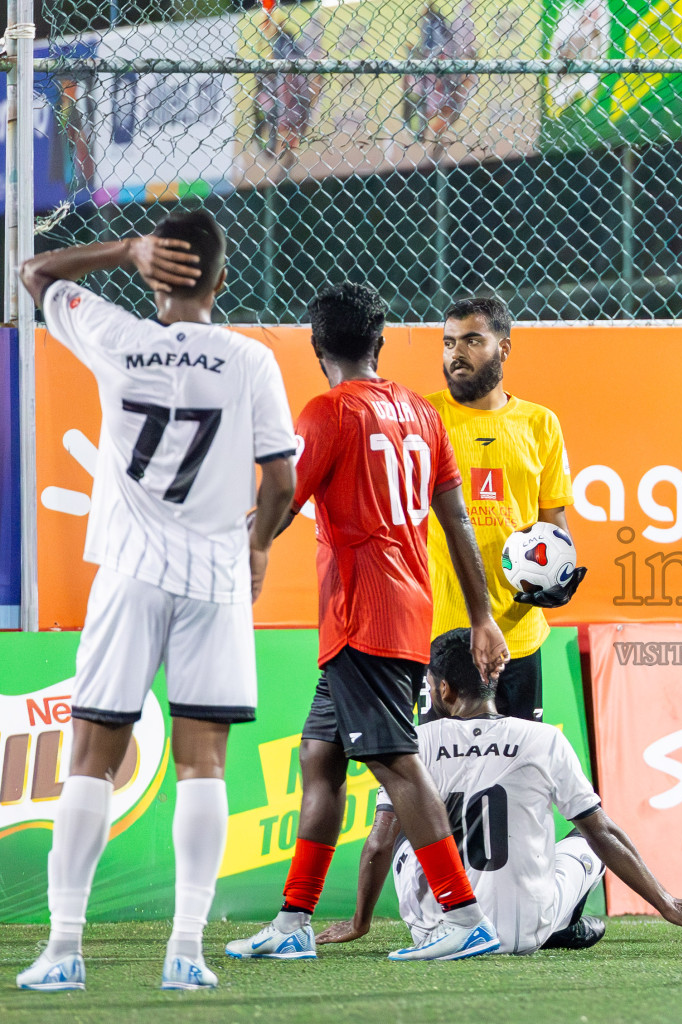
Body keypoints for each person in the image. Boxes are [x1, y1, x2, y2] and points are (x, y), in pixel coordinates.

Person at [16, 211, 298, 992]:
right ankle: (186, 952)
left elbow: (35, 274)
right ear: (221, 280)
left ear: (153, 274)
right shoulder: (250, 362)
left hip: (130, 572)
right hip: (214, 578)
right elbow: (281, 481)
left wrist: (122, 250)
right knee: (203, 764)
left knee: (90, 760)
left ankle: (64, 949)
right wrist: (260, 544)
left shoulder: (112, 335)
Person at [226, 282, 512, 964]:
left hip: (366, 617)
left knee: (395, 763)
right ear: (379, 341)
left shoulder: (327, 412)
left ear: (316, 345)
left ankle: (463, 914)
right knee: (318, 756)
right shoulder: (420, 412)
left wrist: (232, 546)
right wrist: (482, 616)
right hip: (395, 611)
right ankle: (294, 924)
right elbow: (457, 521)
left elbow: (280, 504)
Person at [316, 628, 682, 953]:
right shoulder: (544, 738)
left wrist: (360, 922)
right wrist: (668, 903)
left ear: (443, 689)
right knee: (588, 837)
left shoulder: (415, 742)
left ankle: (464, 913)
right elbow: (603, 834)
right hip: (524, 932)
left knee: (400, 824)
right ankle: (562, 922)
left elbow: (377, 846)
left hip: (436, 931)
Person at [423, 295, 582, 724]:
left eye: (472, 340)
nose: (457, 352)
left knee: (516, 774)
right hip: (443, 633)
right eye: (449, 342)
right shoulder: (424, 417)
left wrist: (563, 575)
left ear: (504, 348)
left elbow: (553, 520)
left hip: (519, 635)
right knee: (439, 777)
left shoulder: (540, 423)